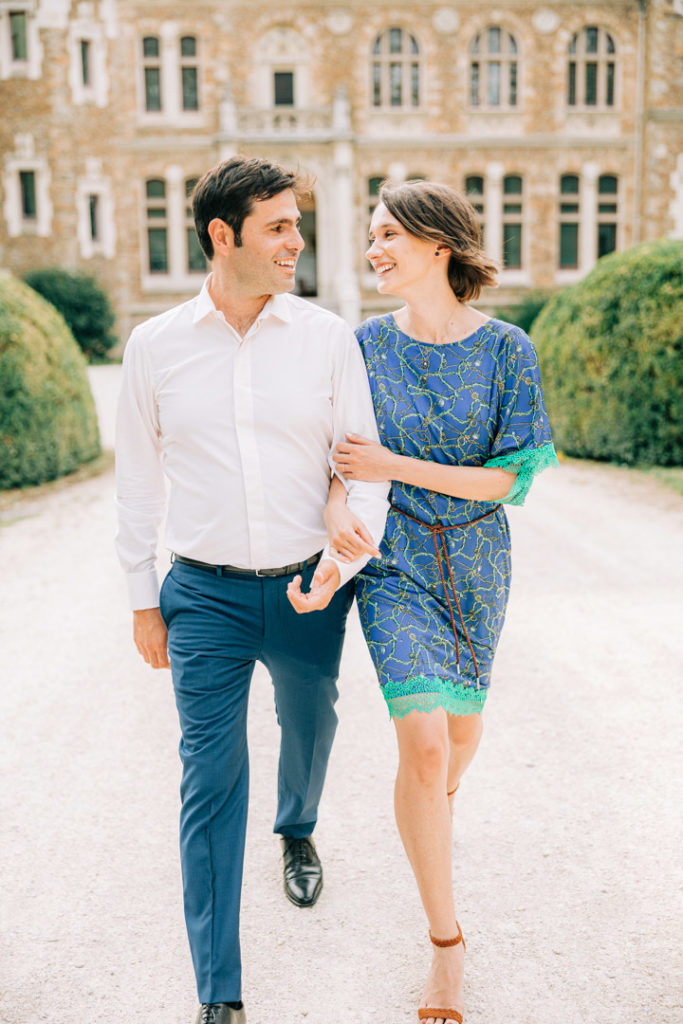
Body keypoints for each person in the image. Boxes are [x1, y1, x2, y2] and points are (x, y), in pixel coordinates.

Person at [114, 155, 388, 1024]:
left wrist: (340, 565)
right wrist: (141, 598)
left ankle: (297, 825)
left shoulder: (326, 337)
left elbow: (364, 468)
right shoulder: (153, 347)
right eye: (277, 227)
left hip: (313, 582)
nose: (294, 242)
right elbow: (135, 486)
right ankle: (218, 995)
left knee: (312, 720)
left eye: (296, 226)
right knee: (209, 779)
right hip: (204, 595)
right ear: (220, 236)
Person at [325, 180, 558, 1024]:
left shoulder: (507, 350)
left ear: (439, 245)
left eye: (388, 234)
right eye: (372, 235)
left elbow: (506, 479)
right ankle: (445, 949)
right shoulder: (359, 347)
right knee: (422, 747)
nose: (374, 248)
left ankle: (433, 805)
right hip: (392, 565)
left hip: (479, 564)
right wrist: (335, 517)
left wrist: (396, 466)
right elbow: (336, 463)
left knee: (460, 735)